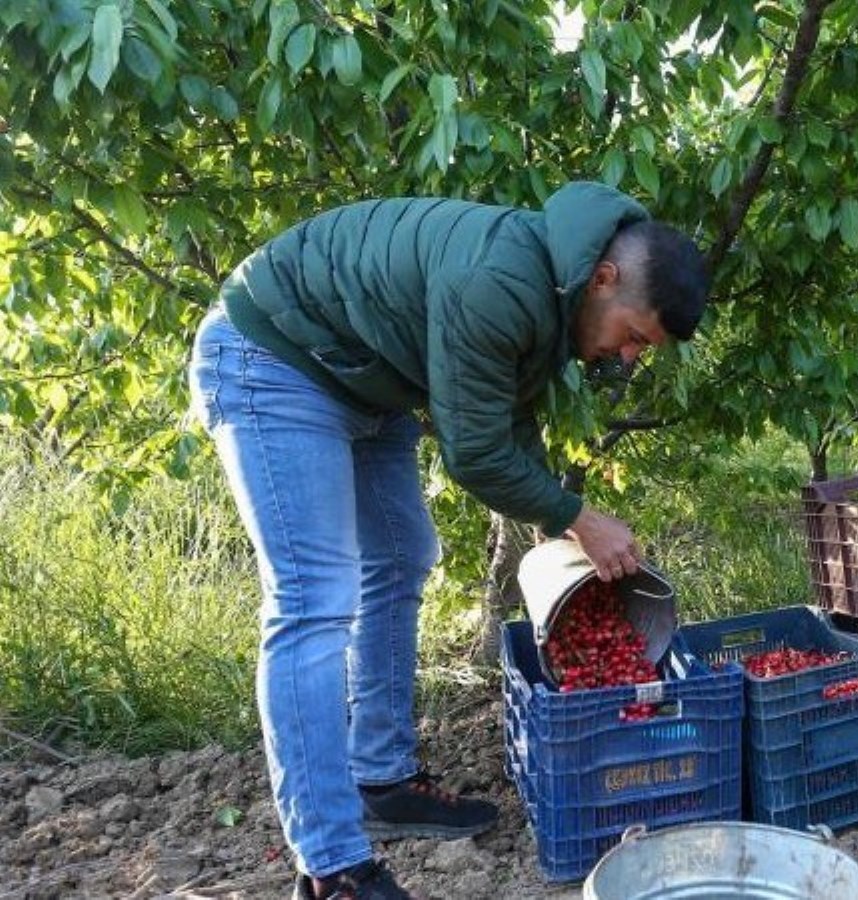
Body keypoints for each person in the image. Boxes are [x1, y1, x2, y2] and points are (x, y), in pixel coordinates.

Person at [186, 182, 711, 900]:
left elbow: (507, 430)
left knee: (402, 555)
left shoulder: (553, 296)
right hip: (275, 359)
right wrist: (579, 520)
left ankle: (383, 777)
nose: (628, 357)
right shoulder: (501, 279)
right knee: (314, 600)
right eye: (635, 336)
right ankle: (333, 866)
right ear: (605, 277)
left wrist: (562, 529)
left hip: (365, 382)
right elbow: (475, 456)